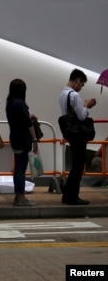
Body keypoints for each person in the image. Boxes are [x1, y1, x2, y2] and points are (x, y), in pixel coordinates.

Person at [59, 69, 97, 205]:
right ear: (77, 80)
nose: (81, 87)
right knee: (78, 165)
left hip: (70, 131)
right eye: (82, 84)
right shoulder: (74, 95)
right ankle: (72, 196)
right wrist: (87, 105)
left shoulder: (63, 94)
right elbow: (81, 116)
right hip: (78, 134)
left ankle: (68, 195)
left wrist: (82, 106)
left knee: (76, 164)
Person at [6, 79, 39, 207]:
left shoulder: (10, 103)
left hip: (14, 137)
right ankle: (21, 197)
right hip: (23, 139)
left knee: (17, 168)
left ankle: (18, 196)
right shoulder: (20, 103)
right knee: (21, 169)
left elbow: (20, 119)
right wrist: (35, 139)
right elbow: (28, 124)